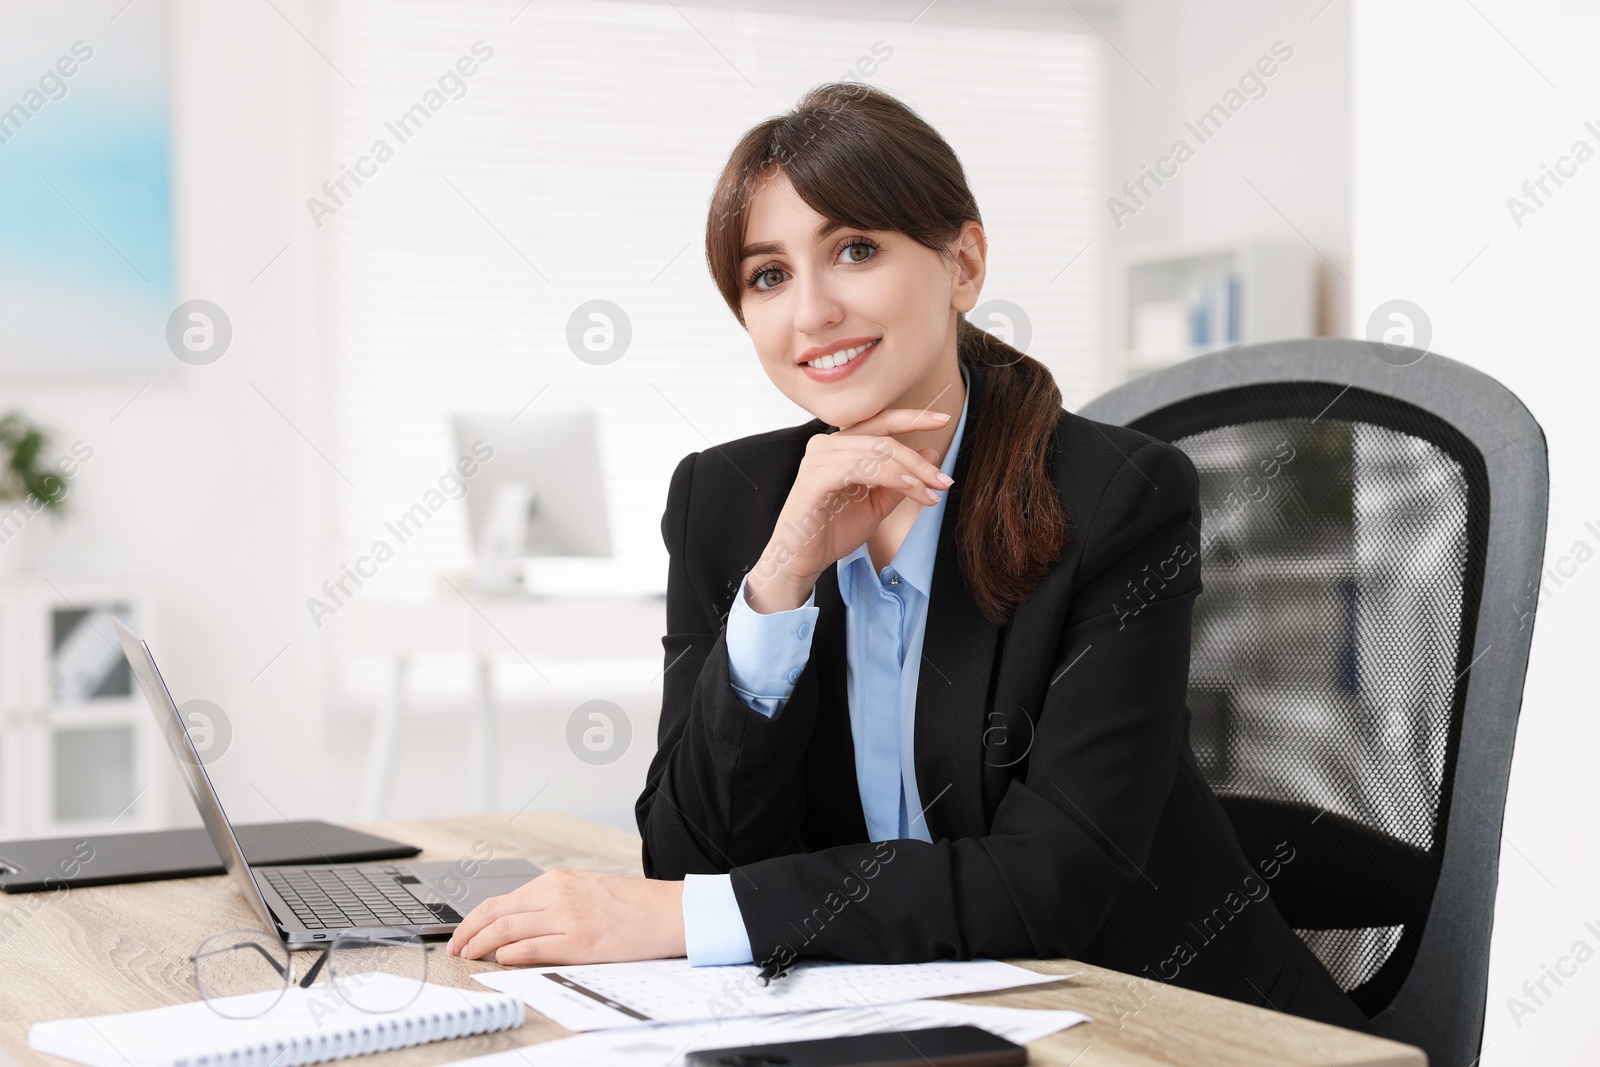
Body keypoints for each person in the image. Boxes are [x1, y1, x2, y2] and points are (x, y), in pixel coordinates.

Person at [448, 82, 1368, 1032]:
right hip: (909, 1014)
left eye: (855, 249)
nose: (811, 313)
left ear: (962, 263)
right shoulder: (725, 502)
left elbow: (1055, 882)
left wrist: (692, 916)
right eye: (767, 275)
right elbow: (692, 853)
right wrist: (781, 585)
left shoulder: (1116, 499)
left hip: (1164, 1023)